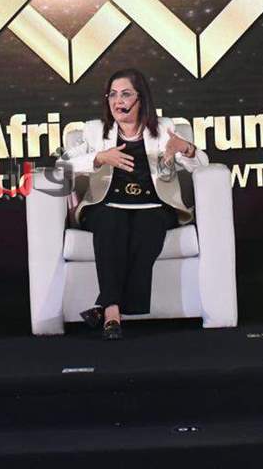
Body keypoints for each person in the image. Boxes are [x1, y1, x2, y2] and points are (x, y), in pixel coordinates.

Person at [65, 68, 207, 340]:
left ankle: (106, 308)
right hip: (106, 205)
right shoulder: (95, 132)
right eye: (112, 95)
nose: (118, 101)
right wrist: (99, 158)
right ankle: (112, 312)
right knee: (110, 223)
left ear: (141, 99)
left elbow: (202, 165)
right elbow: (63, 165)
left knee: (147, 228)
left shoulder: (164, 130)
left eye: (126, 94)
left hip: (154, 206)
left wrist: (185, 148)